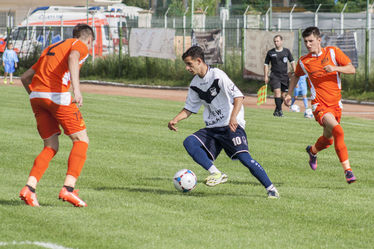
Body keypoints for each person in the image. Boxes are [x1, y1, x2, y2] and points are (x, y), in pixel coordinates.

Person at [168, 46, 279, 198]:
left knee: (244, 158)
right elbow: (189, 108)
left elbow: (238, 96)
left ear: (199, 61)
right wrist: (175, 119)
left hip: (230, 125)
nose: (187, 68)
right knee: (189, 142)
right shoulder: (194, 84)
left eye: (189, 64)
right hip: (213, 128)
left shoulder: (217, 75)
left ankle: (271, 189)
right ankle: (216, 173)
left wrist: (233, 117)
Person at [19, 23, 94, 207]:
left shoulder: (52, 47)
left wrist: (39, 97)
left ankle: (29, 188)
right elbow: (74, 56)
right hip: (58, 95)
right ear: (89, 39)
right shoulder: (79, 45)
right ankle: (68, 189)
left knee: (51, 146)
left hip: (36, 96)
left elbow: (25, 77)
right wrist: (76, 89)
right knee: (81, 140)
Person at [285, 26, 356, 184]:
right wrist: (289, 94)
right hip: (320, 105)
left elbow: (352, 69)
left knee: (328, 139)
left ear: (319, 40)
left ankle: (312, 151)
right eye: (305, 42)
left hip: (336, 105)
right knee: (338, 131)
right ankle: (348, 171)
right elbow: (296, 75)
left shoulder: (333, 52)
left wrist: (335, 68)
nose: (308, 44)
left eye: (311, 41)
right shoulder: (304, 61)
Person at [264, 35, 296, 117]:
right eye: (275, 41)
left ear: (281, 41)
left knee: (283, 95)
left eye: (277, 41)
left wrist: (295, 72)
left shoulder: (286, 51)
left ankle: (276, 110)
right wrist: (266, 76)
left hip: (284, 76)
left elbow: (292, 61)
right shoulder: (270, 52)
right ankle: (280, 111)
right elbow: (266, 64)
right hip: (274, 75)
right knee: (277, 92)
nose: (276, 43)